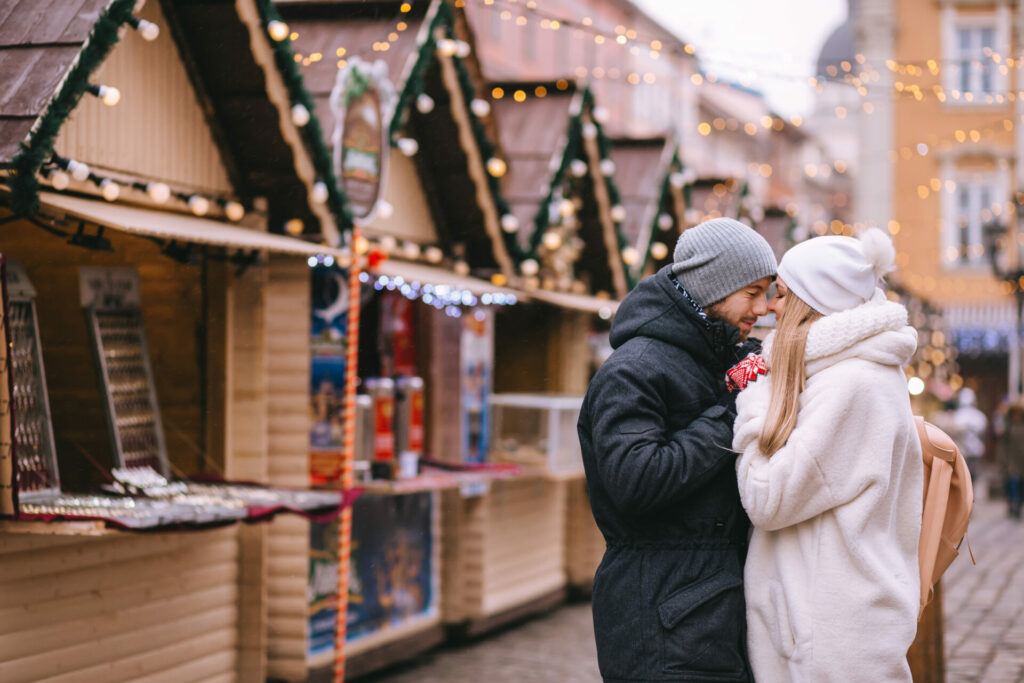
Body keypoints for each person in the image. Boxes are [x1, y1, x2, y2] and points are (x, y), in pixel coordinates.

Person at [578, 218, 777, 681]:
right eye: (752, 292)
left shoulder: (718, 360)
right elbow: (636, 479)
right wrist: (734, 413)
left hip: (705, 609)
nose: (763, 308)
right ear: (713, 286)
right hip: (661, 615)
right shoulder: (635, 369)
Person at [732, 228, 922, 682]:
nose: (771, 305)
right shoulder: (850, 372)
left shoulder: (851, 385)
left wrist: (756, 398)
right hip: (828, 624)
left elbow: (767, 498)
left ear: (811, 301)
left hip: (830, 639)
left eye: (782, 292)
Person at [998, 400, 1024, 519]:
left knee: (1021, 484)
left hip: (1021, 460)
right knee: (1012, 482)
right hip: (1011, 460)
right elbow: (1003, 445)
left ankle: (1018, 506)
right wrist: (1004, 461)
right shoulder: (1008, 426)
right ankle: (1012, 505)